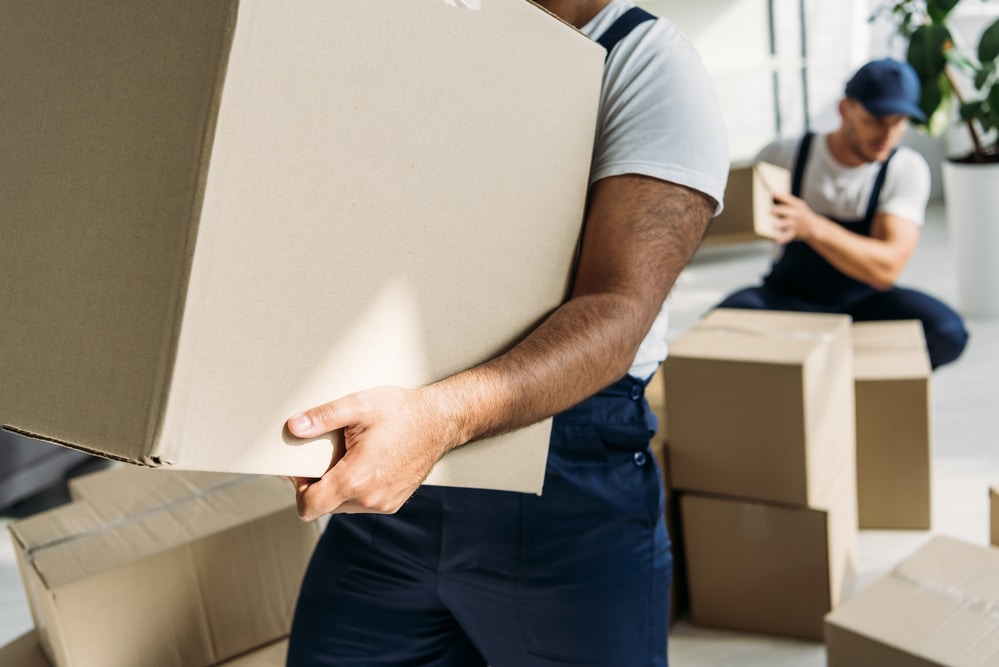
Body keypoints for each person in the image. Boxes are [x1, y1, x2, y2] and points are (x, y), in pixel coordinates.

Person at [284, 1, 728, 665]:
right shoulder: (433, 42)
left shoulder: (645, 62)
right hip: (400, 468)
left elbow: (617, 310)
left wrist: (439, 420)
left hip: (564, 485)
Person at [716, 58, 969, 370]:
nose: (887, 135)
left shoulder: (905, 169)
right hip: (789, 297)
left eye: (898, 121)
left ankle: (843, 381)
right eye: (875, 119)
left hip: (865, 304)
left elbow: (886, 268)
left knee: (947, 331)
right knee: (719, 329)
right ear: (844, 109)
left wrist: (813, 228)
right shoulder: (783, 155)